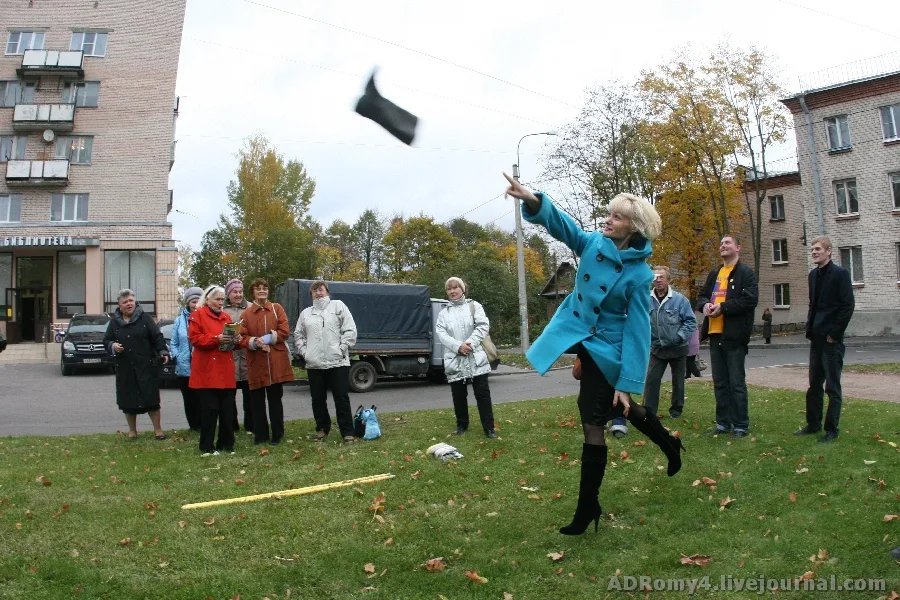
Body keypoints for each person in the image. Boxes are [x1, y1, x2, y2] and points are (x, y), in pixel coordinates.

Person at [503, 173, 684, 537]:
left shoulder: (639, 276)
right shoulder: (593, 245)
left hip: (610, 349)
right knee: (622, 409)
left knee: (592, 421)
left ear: (633, 227)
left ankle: (588, 507)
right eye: (609, 214)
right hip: (581, 336)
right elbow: (563, 226)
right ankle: (669, 442)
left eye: (616, 217)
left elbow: (637, 329)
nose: (607, 220)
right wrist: (534, 200)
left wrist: (626, 378)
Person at [697, 235, 759, 439]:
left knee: (736, 382)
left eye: (727, 243)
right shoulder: (715, 272)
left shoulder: (746, 273)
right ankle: (723, 423)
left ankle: (741, 425)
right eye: (721, 243)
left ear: (738, 248)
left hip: (734, 336)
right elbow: (702, 295)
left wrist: (722, 308)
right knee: (720, 381)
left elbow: (749, 301)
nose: (723, 246)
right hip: (715, 334)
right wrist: (705, 305)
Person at [795, 236, 854, 444]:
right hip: (816, 338)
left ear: (829, 251)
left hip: (831, 340)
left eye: (818, 249)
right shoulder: (813, 275)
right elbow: (814, 304)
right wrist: (809, 329)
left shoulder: (840, 274)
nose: (814, 252)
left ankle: (831, 429)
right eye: (812, 249)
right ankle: (813, 424)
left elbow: (848, 306)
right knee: (814, 385)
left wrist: (834, 334)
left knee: (832, 386)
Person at [294, 280, 358, 443]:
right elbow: (298, 335)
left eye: (321, 290)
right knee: (317, 399)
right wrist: (305, 353)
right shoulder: (306, 314)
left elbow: (350, 329)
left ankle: (347, 432)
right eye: (314, 291)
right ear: (311, 295)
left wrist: (342, 348)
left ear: (327, 292)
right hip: (314, 363)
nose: (318, 293)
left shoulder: (338, 306)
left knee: (341, 398)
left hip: (337, 362)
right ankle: (322, 429)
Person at [435, 277, 497, 438]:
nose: (452, 291)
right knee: (458, 395)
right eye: (449, 289)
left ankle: (489, 428)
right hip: (455, 359)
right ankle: (462, 425)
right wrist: (458, 346)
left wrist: (469, 344)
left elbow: (483, 326)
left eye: (455, 287)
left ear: (463, 289)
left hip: (476, 356)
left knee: (482, 394)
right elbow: (441, 333)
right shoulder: (443, 313)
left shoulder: (474, 306)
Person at [103, 289, 169, 440]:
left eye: (131, 301)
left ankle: (158, 430)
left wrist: (163, 352)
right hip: (125, 367)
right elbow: (106, 340)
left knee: (151, 399)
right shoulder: (114, 322)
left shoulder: (145, 318)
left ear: (135, 302)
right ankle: (132, 431)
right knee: (128, 400)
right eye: (125, 302)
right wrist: (113, 346)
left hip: (146, 365)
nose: (129, 304)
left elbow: (157, 337)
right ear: (119, 306)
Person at [188, 285, 245, 456]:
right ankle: (206, 446)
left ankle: (226, 444)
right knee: (210, 411)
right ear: (208, 300)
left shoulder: (226, 317)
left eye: (222, 299)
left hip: (225, 370)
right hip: (207, 371)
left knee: (227, 410)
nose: (221, 303)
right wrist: (216, 338)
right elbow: (195, 339)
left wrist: (238, 339)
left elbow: (235, 343)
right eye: (217, 299)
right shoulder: (197, 315)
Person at [241, 278, 293, 445]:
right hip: (256, 362)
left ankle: (277, 434)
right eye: (258, 289)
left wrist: (268, 338)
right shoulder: (246, 314)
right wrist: (254, 342)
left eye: (264, 288)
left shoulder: (277, 309)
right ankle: (261, 435)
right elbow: (242, 337)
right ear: (253, 293)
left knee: (275, 401)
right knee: (256, 402)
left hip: (275, 362)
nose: (262, 291)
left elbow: (285, 330)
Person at [642, 266, 696, 419]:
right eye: (655, 277)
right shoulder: (647, 299)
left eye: (661, 277)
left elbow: (690, 322)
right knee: (652, 380)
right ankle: (649, 412)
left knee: (678, 382)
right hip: (657, 349)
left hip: (678, 348)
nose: (658, 280)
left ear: (668, 280)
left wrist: (679, 337)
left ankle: (676, 411)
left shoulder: (680, 300)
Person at [171, 286, 203, 431]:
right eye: (193, 301)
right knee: (188, 398)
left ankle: (204, 423)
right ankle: (193, 425)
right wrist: (177, 356)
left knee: (202, 397)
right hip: (184, 366)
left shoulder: (205, 318)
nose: (195, 305)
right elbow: (174, 342)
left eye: (198, 301)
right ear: (188, 303)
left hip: (202, 365)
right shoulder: (179, 321)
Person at [224, 279, 250, 433]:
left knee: (250, 396)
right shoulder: (223, 309)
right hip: (230, 358)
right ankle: (232, 425)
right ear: (229, 294)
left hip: (247, 357)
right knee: (229, 397)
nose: (238, 294)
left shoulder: (251, 307)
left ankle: (250, 425)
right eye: (235, 291)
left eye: (240, 291)